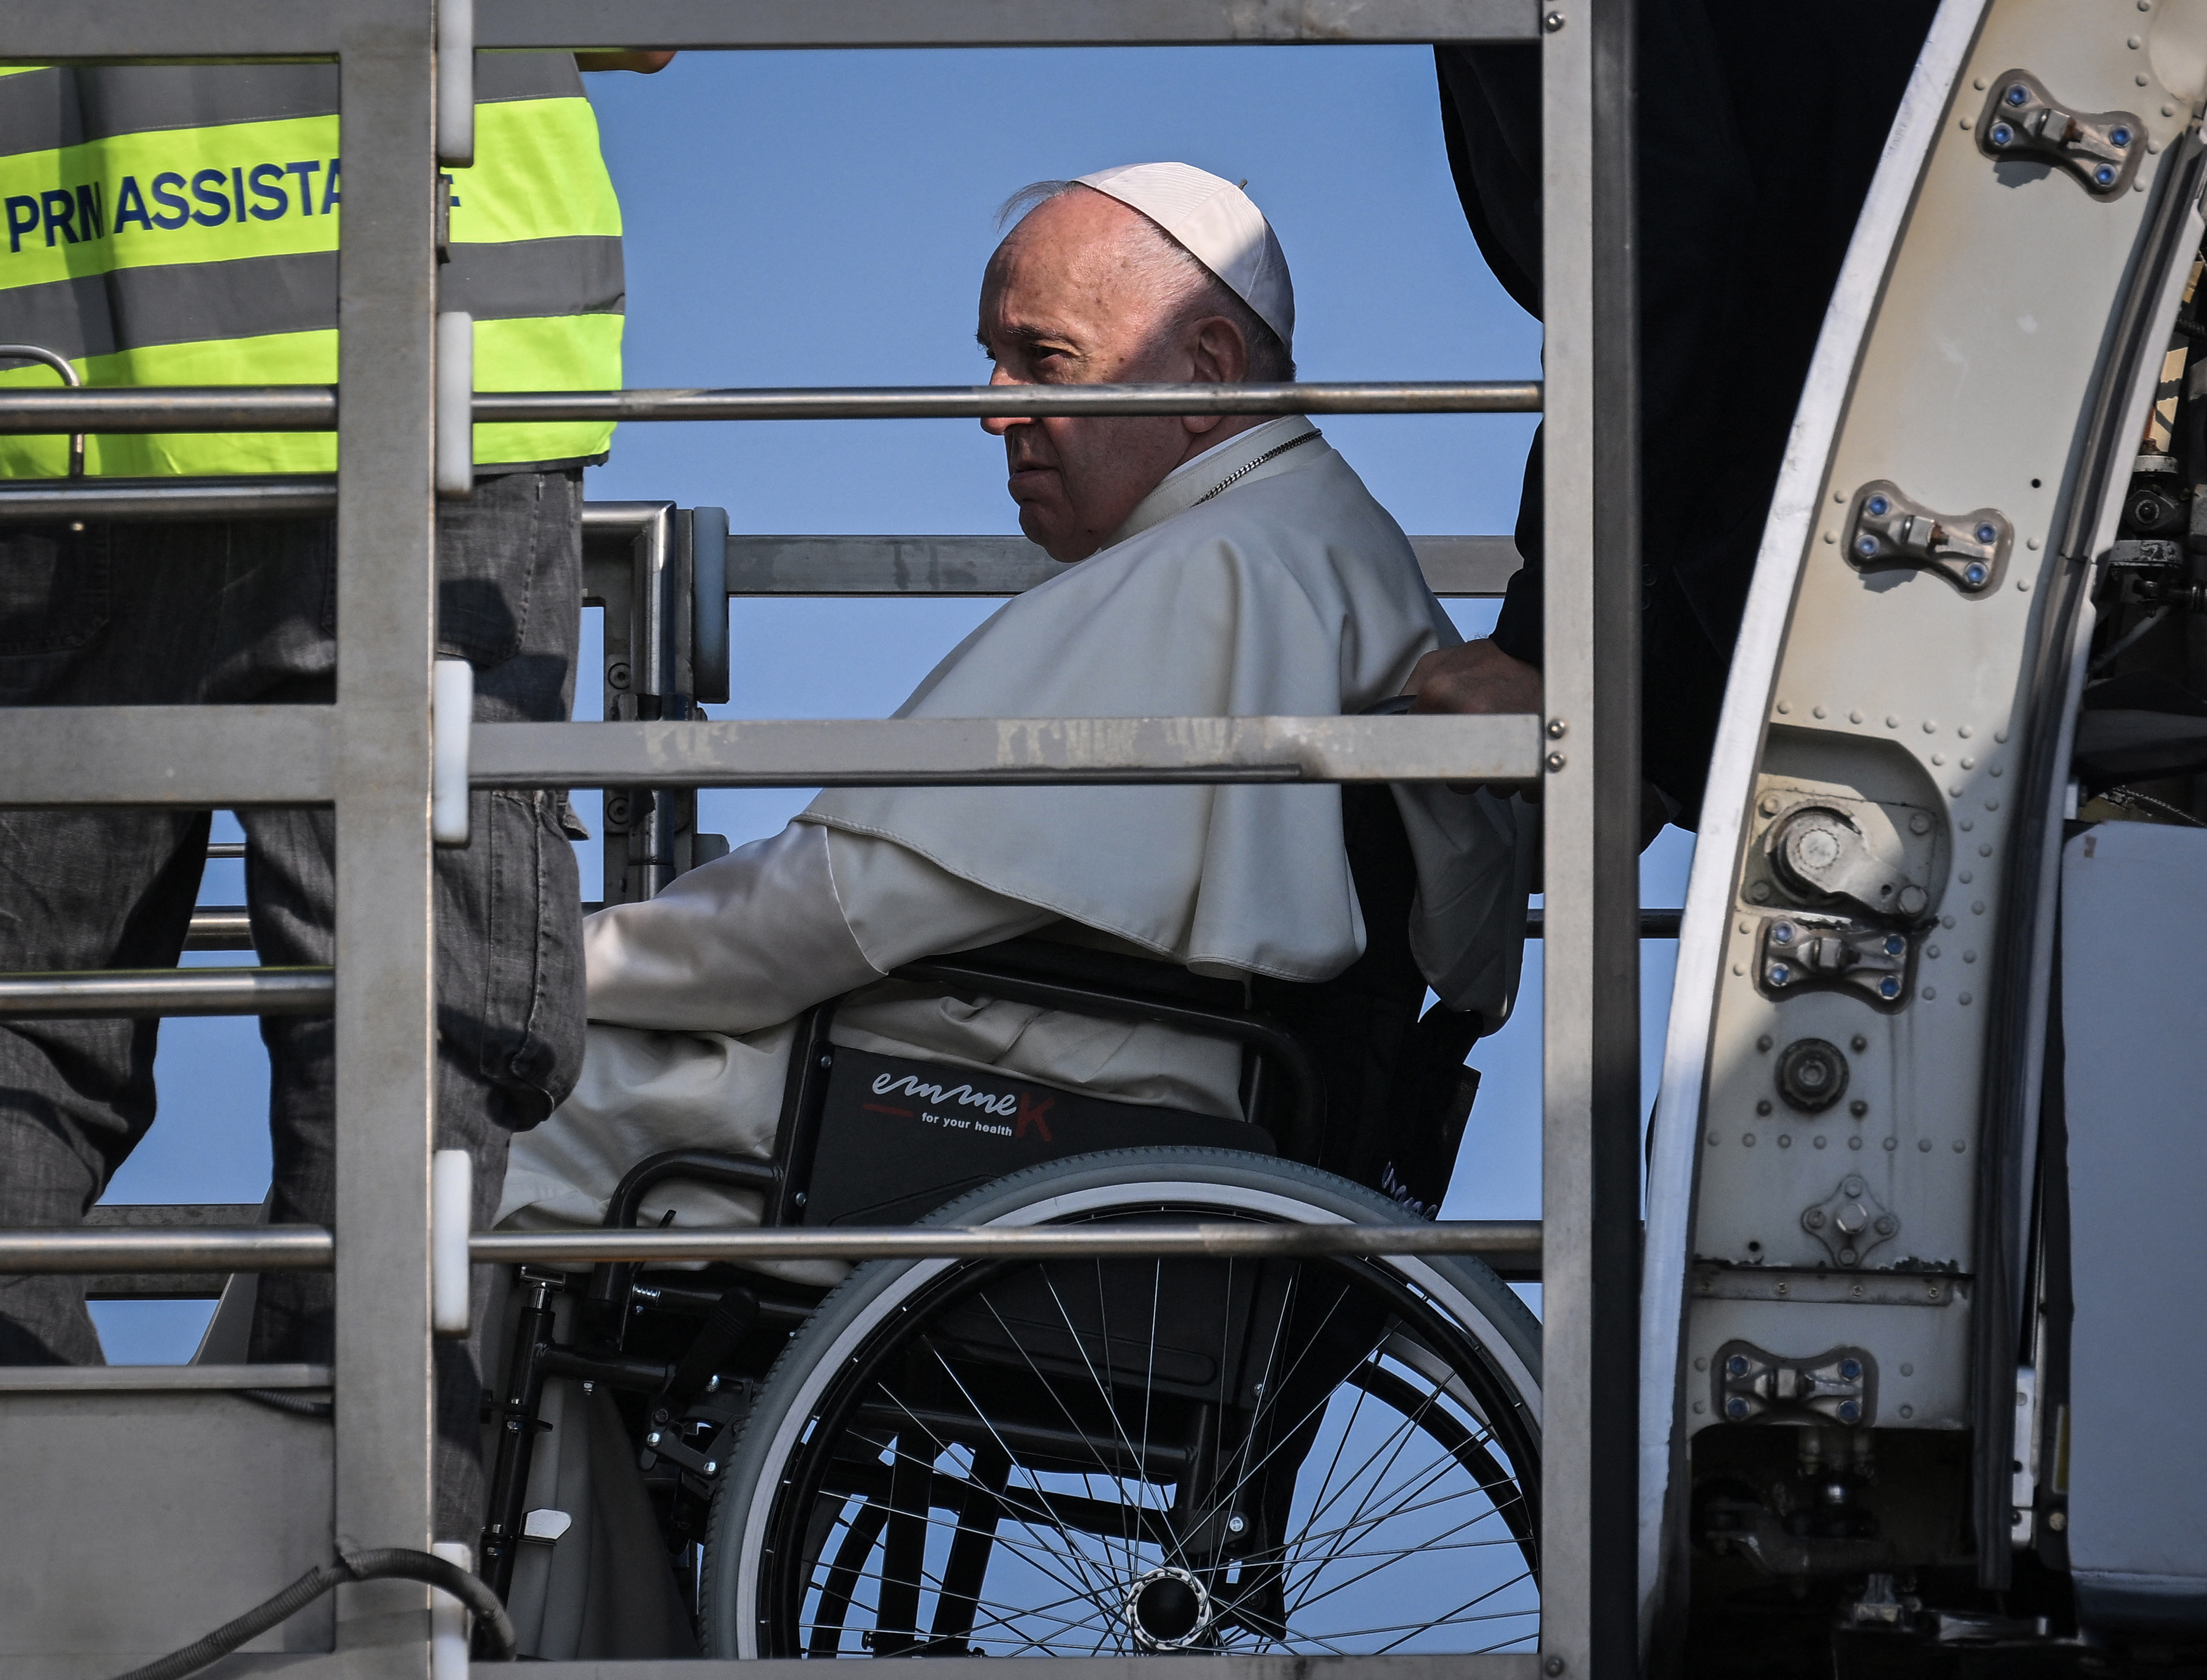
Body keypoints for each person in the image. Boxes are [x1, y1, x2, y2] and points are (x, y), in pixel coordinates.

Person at [500, 163, 1534, 1245]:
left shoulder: (1217, 566)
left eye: (1045, 359)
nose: (994, 408)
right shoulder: (1314, 537)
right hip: (1096, 1102)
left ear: (1210, 369)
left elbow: (821, 919)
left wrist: (546, 962)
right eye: (991, 360)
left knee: (475, 1107)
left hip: (997, 1116)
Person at [0, 50, 667, 1546]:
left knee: (18, 1039)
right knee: (415, 1033)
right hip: (422, 388)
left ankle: (44, 1553)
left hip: (63, 394)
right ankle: (329, 1574)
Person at [1414, 3, 1940, 828]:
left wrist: (1555, 642)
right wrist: (1669, 729)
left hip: (1899, 527)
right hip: (1932, 473)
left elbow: (1648, 229)